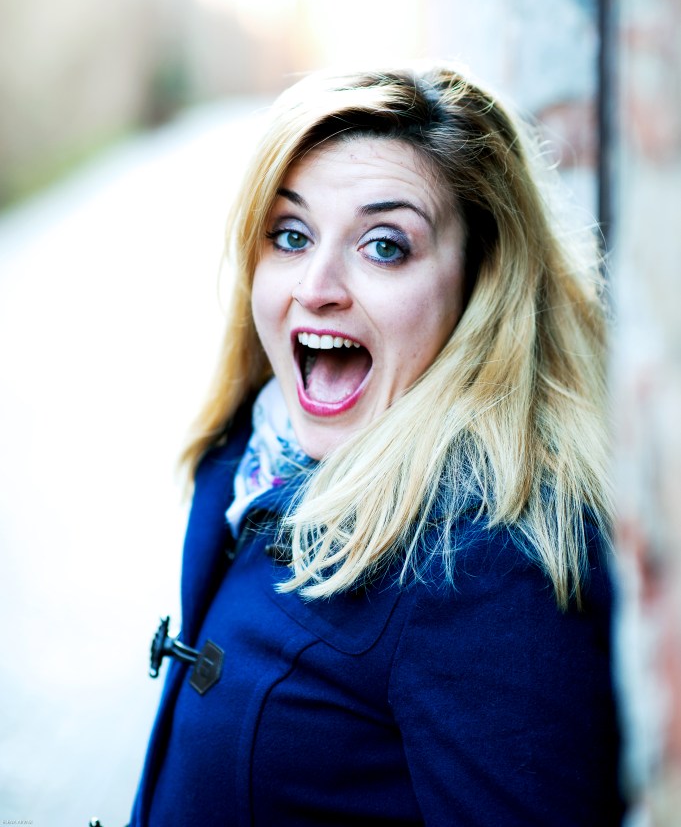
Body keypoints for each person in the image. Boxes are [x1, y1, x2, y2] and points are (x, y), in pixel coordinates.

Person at [129, 64, 624, 826]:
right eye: (290, 235)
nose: (315, 285)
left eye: (385, 246)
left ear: (480, 280)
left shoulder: (483, 563)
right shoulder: (256, 461)